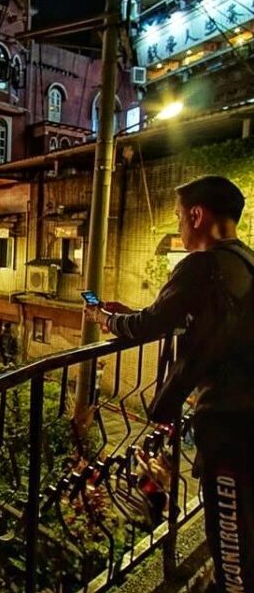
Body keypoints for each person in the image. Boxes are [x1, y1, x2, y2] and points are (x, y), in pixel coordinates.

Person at [84, 175, 254, 592]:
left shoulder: (202, 264)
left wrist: (104, 318)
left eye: (179, 217)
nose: (179, 226)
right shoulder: (245, 260)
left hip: (230, 421)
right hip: (246, 415)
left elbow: (150, 325)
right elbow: (195, 317)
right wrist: (145, 312)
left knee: (229, 531)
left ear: (197, 215)